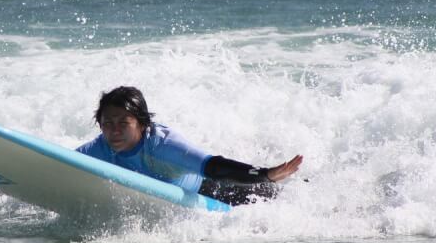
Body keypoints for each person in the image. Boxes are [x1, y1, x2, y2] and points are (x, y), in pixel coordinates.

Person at [73, 86, 303, 206]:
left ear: (142, 124)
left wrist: (264, 174)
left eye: (123, 123)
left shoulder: (163, 146)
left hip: (215, 192)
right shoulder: (101, 147)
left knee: (281, 197)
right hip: (161, 195)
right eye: (107, 124)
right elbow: (62, 165)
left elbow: (214, 166)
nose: (114, 131)